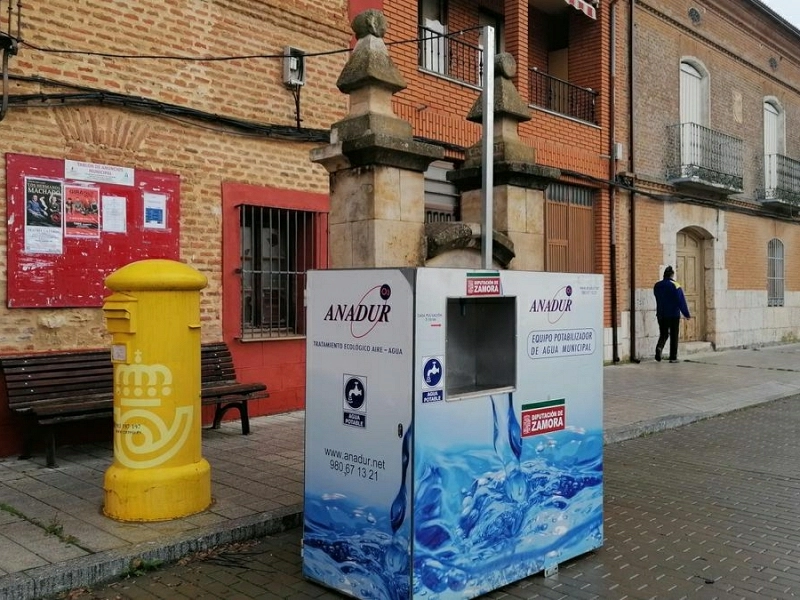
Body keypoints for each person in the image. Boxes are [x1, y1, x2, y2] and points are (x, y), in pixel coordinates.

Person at [653, 265, 691, 363]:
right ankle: (673, 357)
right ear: (672, 275)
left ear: (664, 275)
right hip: (673, 315)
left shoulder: (657, 285)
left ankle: (659, 347)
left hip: (661, 314)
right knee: (674, 335)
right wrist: (686, 314)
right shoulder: (675, 285)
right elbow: (681, 301)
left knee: (664, 334)